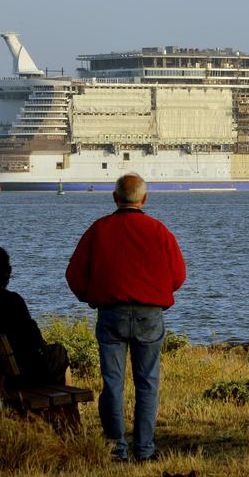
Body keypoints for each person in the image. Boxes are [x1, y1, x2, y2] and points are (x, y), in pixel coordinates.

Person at [66, 172, 186, 462]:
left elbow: (74, 274)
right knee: (147, 383)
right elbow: (179, 276)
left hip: (111, 314)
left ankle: (116, 449)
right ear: (144, 198)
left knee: (112, 383)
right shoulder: (159, 230)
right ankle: (144, 450)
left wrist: (91, 297)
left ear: (115, 197)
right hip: (150, 315)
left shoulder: (99, 229)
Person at [0, 246, 71, 388]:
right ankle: (67, 403)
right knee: (59, 352)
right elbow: (34, 341)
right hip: (20, 377)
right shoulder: (12, 301)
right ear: (4, 273)